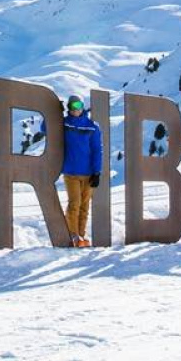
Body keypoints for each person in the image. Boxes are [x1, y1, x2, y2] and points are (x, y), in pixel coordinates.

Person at [59, 94, 102, 247]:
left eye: (78, 106)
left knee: (84, 206)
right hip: (71, 172)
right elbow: (45, 128)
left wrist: (97, 172)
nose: (76, 109)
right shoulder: (64, 123)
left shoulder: (92, 126)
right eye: (72, 106)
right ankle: (73, 235)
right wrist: (55, 113)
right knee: (74, 203)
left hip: (88, 173)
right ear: (68, 108)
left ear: (83, 107)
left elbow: (97, 150)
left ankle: (81, 236)